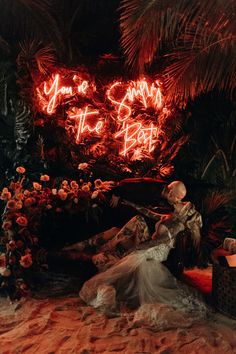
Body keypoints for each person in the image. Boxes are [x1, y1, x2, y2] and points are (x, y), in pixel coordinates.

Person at [68, 181, 205, 321]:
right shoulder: (171, 214)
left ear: (172, 194)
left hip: (154, 251)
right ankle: (84, 246)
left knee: (133, 227)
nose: (165, 192)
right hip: (148, 243)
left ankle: (105, 247)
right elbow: (149, 213)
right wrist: (126, 202)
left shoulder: (177, 224)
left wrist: (136, 249)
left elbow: (157, 242)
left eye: (168, 190)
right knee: (126, 225)